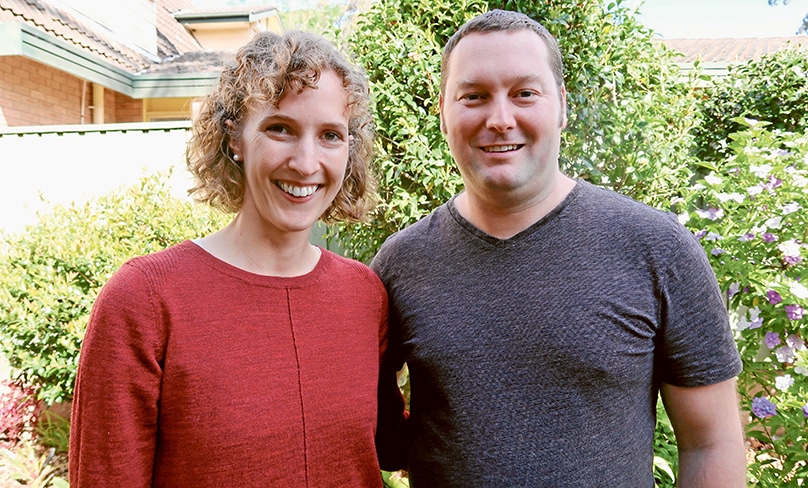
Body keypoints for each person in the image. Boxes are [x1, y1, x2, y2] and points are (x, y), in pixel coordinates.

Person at [372, 9, 746, 487]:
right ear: (443, 111)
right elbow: (373, 431)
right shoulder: (401, 264)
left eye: (525, 93)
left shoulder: (657, 248)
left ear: (562, 106)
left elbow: (711, 443)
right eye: (474, 96)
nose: (500, 119)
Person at [69, 31, 388, 487]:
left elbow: (400, 443)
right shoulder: (145, 299)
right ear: (235, 137)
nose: (305, 162)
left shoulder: (364, 294)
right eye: (280, 128)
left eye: (330, 136)